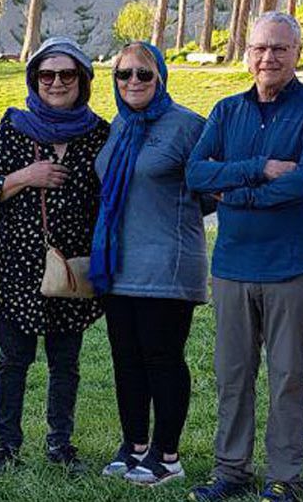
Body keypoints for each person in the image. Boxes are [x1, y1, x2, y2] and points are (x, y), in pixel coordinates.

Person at [185, 12, 303, 502]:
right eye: (259, 48)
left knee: (288, 376)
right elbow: (195, 173)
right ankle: (231, 470)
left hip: (290, 267)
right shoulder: (226, 111)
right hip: (232, 265)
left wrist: (237, 193)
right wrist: (261, 168)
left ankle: (284, 477)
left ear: (297, 53)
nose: (268, 57)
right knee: (232, 375)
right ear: (247, 53)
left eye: (279, 48)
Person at [0, 37, 108, 474]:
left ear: (82, 80)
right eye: (46, 74)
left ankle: (60, 445)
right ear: (34, 79)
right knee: (13, 361)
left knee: (65, 364)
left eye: (66, 74)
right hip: (18, 268)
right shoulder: (15, 127)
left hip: (72, 270)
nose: (56, 82)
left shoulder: (99, 134)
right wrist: (25, 176)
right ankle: (6, 446)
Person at [89, 41, 211, 487]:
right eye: (124, 74)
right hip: (119, 264)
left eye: (144, 74)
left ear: (160, 77)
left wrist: (170, 217)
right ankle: (135, 445)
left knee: (162, 358)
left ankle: (168, 456)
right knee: (126, 359)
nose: (133, 82)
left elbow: (211, 191)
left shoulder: (187, 126)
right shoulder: (121, 124)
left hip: (167, 263)